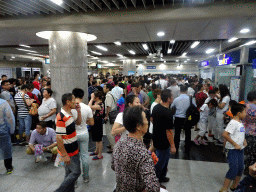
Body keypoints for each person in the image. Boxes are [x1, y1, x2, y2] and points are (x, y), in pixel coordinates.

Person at [111, 106, 160, 192]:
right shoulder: (142, 153)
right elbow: (153, 187)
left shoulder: (118, 144)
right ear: (138, 126)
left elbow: (113, 166)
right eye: (145, 118)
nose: (147, 121)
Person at [55, 93, 82, 192]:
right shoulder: (61, 117)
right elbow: (58, 138)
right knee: (76, 172)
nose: (76, 102)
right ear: (68, 102)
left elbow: (79, 122)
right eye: (74, 100)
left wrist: (78, 112)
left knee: (69, 173)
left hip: (74, 147)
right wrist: (65, 154)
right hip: (68, 150)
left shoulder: (72, 112)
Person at [220, 104, 247, 192]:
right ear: (239, 113)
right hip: (232, 150)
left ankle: (234, 186)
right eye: (244, 112)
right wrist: (235, 144)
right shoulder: (233, 123)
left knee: (240, 168)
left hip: (240, 149)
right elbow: (225, 134)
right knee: (234, 169)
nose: (246, 113)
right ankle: (224, 189)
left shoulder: (240, 122)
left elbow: (240, 133)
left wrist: (244, 140)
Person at [152, 89, 176, 183]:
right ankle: (156, 180)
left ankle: (162, 176)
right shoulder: (168, 112)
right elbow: (169, 131)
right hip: (163, 141)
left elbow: (152, 120)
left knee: (164, 160)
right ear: (169, 99)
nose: (173, 98)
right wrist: (173, 146)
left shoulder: (156, 107)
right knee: (161, 161)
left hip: (156, 137)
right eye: (172, 96)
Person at [72, 88, 94, 182]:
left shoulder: (70, 108)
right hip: (84, 133)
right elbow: (92, 123)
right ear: (82, 96)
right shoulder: (87, 107)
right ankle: (86, 177)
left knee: (74, 157)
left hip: (73, 135)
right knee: (84, 156)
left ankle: (74, 180)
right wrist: (85, 121)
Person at [172, 86, 197, 153]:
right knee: (188, 133)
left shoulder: (176, 99)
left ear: (180, 91)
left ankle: (176, 146)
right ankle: (187, 147)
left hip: (178, 118)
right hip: (187, 118)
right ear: (186, 91)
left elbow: (172, 107)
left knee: (177, 133)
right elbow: (195, 107)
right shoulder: (191, 99)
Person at [0, 98, 15, 174]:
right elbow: (9, 117)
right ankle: (9, 167)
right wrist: (12, 129)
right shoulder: (3, 103)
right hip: (2, 130)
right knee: (6, 149)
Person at [88, 91, 104, 160]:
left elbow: (89, 107)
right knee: (96, 138)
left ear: (96, 97)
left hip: (98, 121)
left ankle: (100, 154)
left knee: (99, 139)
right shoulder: (96, 103)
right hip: (95, 121)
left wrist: (91, 99)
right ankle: (96, 151)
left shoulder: (100, 104)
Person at [243, 91, 256, 175]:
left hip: (245, 131)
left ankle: (246, 168)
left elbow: (242, 120)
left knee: (247, 151)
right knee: (254, 153)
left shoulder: (244, 106)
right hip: (254, 133)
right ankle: (251, 170)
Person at [103, 83, 117, 153]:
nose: (103, 88)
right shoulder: (113, 94)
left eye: (104, 87)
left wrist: (106, 116)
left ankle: (113, 147)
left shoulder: (108, 95)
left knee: (109, 132)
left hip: (110, 114)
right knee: (112, 130)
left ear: (108, 88)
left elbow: (108, 106)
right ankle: (112, 144)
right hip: (114, 113)